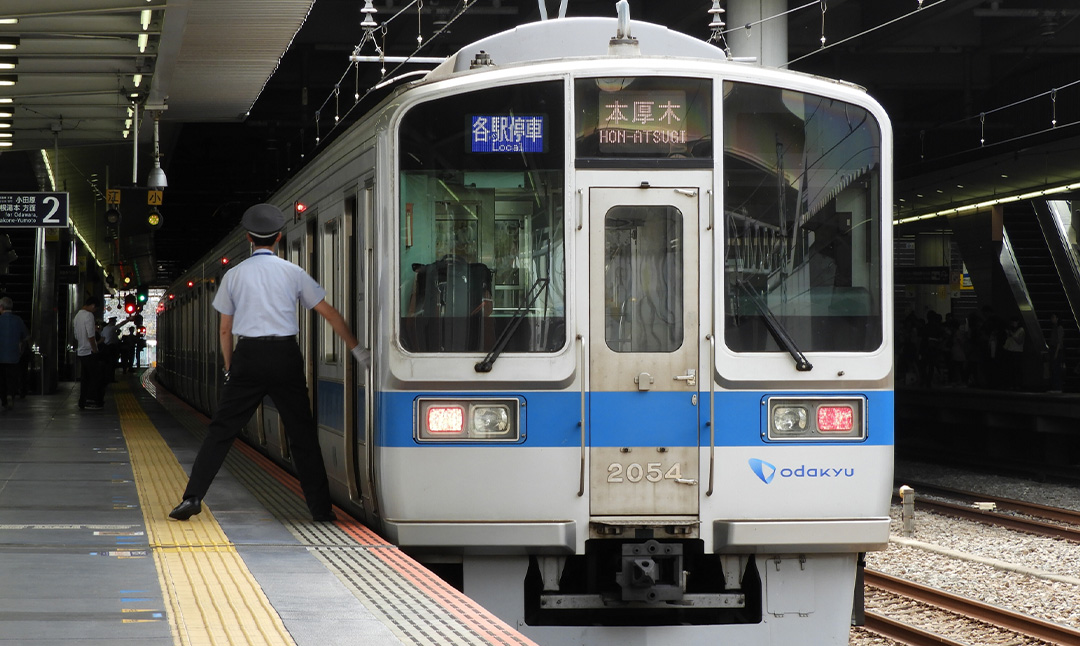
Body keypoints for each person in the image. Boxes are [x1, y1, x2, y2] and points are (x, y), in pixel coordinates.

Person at [169, 203, 365, 523]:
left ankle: (192, 497)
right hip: (286, 355)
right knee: (302, 435)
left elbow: (224, 329)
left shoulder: (234, 275)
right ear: (279, 238)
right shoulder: (293, 273)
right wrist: (356, 349)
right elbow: (329, 313)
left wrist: (232, 367)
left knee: (221, 431)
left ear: (249, 238)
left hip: (248, 355)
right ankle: (321, 510)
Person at [73, 295, 104, 410]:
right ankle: (92, 400)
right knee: (96, 377)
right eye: (95, 308)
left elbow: (76, 335)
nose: (94, 311)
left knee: (85, 378)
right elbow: (91, 335)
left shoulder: (77, 316)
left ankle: (83, 401)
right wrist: (95, 350)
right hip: (89, 352)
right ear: (92, 305)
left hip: (81, 351)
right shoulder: (88, 315)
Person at [0, 296, 29, 411]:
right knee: (12, 378)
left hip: (0, 356)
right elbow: (26, 336)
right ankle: (11, 394)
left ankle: (4, 399)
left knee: (1, 379)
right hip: (14, 356)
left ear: (1, 307)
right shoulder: (18, 320)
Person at [1048, 313, 1065, 393]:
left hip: (1056, 349)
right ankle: (1055, 387)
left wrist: (1056, 352)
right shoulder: (1055, 327)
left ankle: (1057, 387)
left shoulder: (1059, 328)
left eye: (1053, 317)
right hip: (1054, 349)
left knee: (1056, 369)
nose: (1052, 319)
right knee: (1053, 369)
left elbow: (1059, 341)